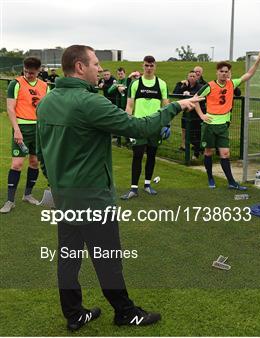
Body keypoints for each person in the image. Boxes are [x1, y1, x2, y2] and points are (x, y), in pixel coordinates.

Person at [36, 44, 201, 331]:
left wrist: (55, 184)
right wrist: (175, 106)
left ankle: (74, 314)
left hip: (64, 196)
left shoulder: (47, 101)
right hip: (92, 198)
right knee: (108, 258)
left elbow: (41, 152)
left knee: (68, 257)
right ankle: (125, 312)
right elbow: (138, 128)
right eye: (95, 64)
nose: (99, 69)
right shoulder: (89, 102)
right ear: (79, 67)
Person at [194, 51, 260, 190]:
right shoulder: (209, 86)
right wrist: (202, 115)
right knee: (208, 152)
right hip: (209, 125)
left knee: (225, 153)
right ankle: (210, 177)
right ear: (217, 72)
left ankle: (232, 182)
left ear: (228, 73)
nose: (224, 74)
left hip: (223, 126)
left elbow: (248, 75)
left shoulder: (231, 84)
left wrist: (258, 61)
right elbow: (196, 98)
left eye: (226, 72)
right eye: (221, 71)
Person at [0, 57, 48, 213]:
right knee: (17, 164)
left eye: (32, 73)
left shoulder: (45, 86)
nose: (28, 74)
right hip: (21, 128)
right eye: (26, 71)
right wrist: (17, 130)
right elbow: (11, 109)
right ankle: (9, 201)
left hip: (39, 129)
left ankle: (28, 194)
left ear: (39, 71)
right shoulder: (16, 83)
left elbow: (47, 109)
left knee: (34, 162)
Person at [121, 56, 169, 199]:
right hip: (139, 125)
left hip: (155, 126)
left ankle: (147, 185)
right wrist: (127, 124)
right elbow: (129, 106)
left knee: (152, 155)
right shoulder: (135, 84)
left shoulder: (161, 84)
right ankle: (133, 189)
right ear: (143, 66)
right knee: (137, 155)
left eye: (151, 65)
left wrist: (166, 124)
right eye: (147, 65)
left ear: (155, 66)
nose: (149, 68)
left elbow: (166, 105)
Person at [173, 70, 203, 156]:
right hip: (186, 112)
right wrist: (179, 84)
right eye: (190, 76)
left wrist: (190, 94)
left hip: (197, 114)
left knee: (196, 133)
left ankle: (197, 152)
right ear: (187, 77)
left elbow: (200, 96)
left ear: (197, 78)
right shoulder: (185, 86)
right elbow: (175, 93)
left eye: (194, 76)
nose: (192, 78)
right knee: (186, 132)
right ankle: (190, 148)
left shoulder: (200, 86)